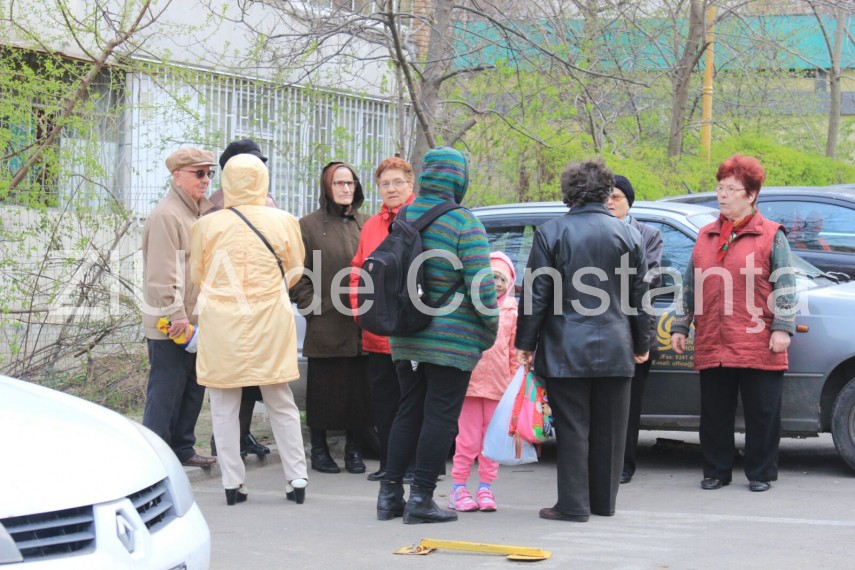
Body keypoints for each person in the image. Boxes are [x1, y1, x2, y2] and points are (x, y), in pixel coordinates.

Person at [515, 157, 649, 523]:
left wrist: (525, 343)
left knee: (574, 427)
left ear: (568, 193)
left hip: (565, 347)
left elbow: (536, 294)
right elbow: (640, 297)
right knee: (611, 430)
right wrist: (642, 343)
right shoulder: (629, 234)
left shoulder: (551, 232)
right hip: (618, 345)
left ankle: (573, 505)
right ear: (607, 192)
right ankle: (603, 503)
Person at [376, 146, 498, 525]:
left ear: (426, 176)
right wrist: (489, 331)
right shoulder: (464, 223)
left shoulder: (404, 215)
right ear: (459, 180)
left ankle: (390, 496)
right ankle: (422, 500)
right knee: (440, 418)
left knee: (407, 411)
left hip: (406, 336)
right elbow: (482, 288)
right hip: (452, 341)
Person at [670, 154, 796, 493]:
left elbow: (786, 283)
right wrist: (681, 325)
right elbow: (690, 283)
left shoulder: (771, 235)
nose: (722, 194)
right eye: (719, 187)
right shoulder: (706, 235)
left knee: (763, 413)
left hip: (758, 336)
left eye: (730, 188)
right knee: (714, 412)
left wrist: (782, 326)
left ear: (751, 195)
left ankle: (760, 473)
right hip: (714, 336)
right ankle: (716, 471)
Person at [191, 153, 309, 505]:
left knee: (224, 403)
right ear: (263, 180)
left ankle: (232, 483)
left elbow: (198, 275)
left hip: (222, 322)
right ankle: (297, 478)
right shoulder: (285, 220)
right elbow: (296, 271)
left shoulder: (206, 225)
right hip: (270, 318)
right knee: (280, 400)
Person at [291, 161, 371, 475]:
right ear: (327, 187)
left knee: (358, 391)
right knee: (325, 390)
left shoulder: (367, 222)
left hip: (361, 322)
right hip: (325, 321)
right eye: (338, 183)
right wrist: (313, 306)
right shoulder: (308, 225)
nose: (345, 189)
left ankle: (354, 449)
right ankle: (320, 449)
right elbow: (297, 272)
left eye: (350, 183)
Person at [141, 147, 218, 468]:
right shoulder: (167, 215)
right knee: (166, 390)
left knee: (191, 388)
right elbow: (161, 275)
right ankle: (155, 456)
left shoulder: (198, 213)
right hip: (173, 322)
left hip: (196, 320)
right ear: (178, 177)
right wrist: (177, 316)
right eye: (199, 173)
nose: (206, 180)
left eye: (209, 173)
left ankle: (182, 448)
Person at [349, 156, 416, 481]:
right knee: (385, 401)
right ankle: (389, 464)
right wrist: (358, 309)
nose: (391, 189)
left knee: (411, 400)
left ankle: (412, 465)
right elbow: (358, 270)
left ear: (410, 184)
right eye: (385, 184)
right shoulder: (372, 226)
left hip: (411, 333)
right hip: (377, 333)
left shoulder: (420, 218)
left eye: (397, 182)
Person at [207, 138, 272, 459]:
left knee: (250, 381)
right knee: (229, 379)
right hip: (230, 304)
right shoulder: (218, 204)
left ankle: (242, 435)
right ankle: (223, 441)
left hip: (258, 303)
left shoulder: (261, 200)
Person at [448, 251, 517, 513]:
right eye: (491, 277)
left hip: (499, 388)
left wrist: (514, 382)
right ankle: (458, 488)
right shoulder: (469, 306)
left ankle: (486, 487)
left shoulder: (512, 311)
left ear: (510, 282)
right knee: (467, 440)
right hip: (470, 385)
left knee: (492, 442)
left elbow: (514, 351)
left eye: (501, 278)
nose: (496, 283)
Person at [606, 174, 664, 484]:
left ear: (629, 201)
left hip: (634, 330)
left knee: (628, 405)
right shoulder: (592, 231)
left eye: (615, 196)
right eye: (605, 196)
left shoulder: (647, 234)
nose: (609, 202)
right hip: (598, 330)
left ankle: (623, 464)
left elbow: (649, 278)